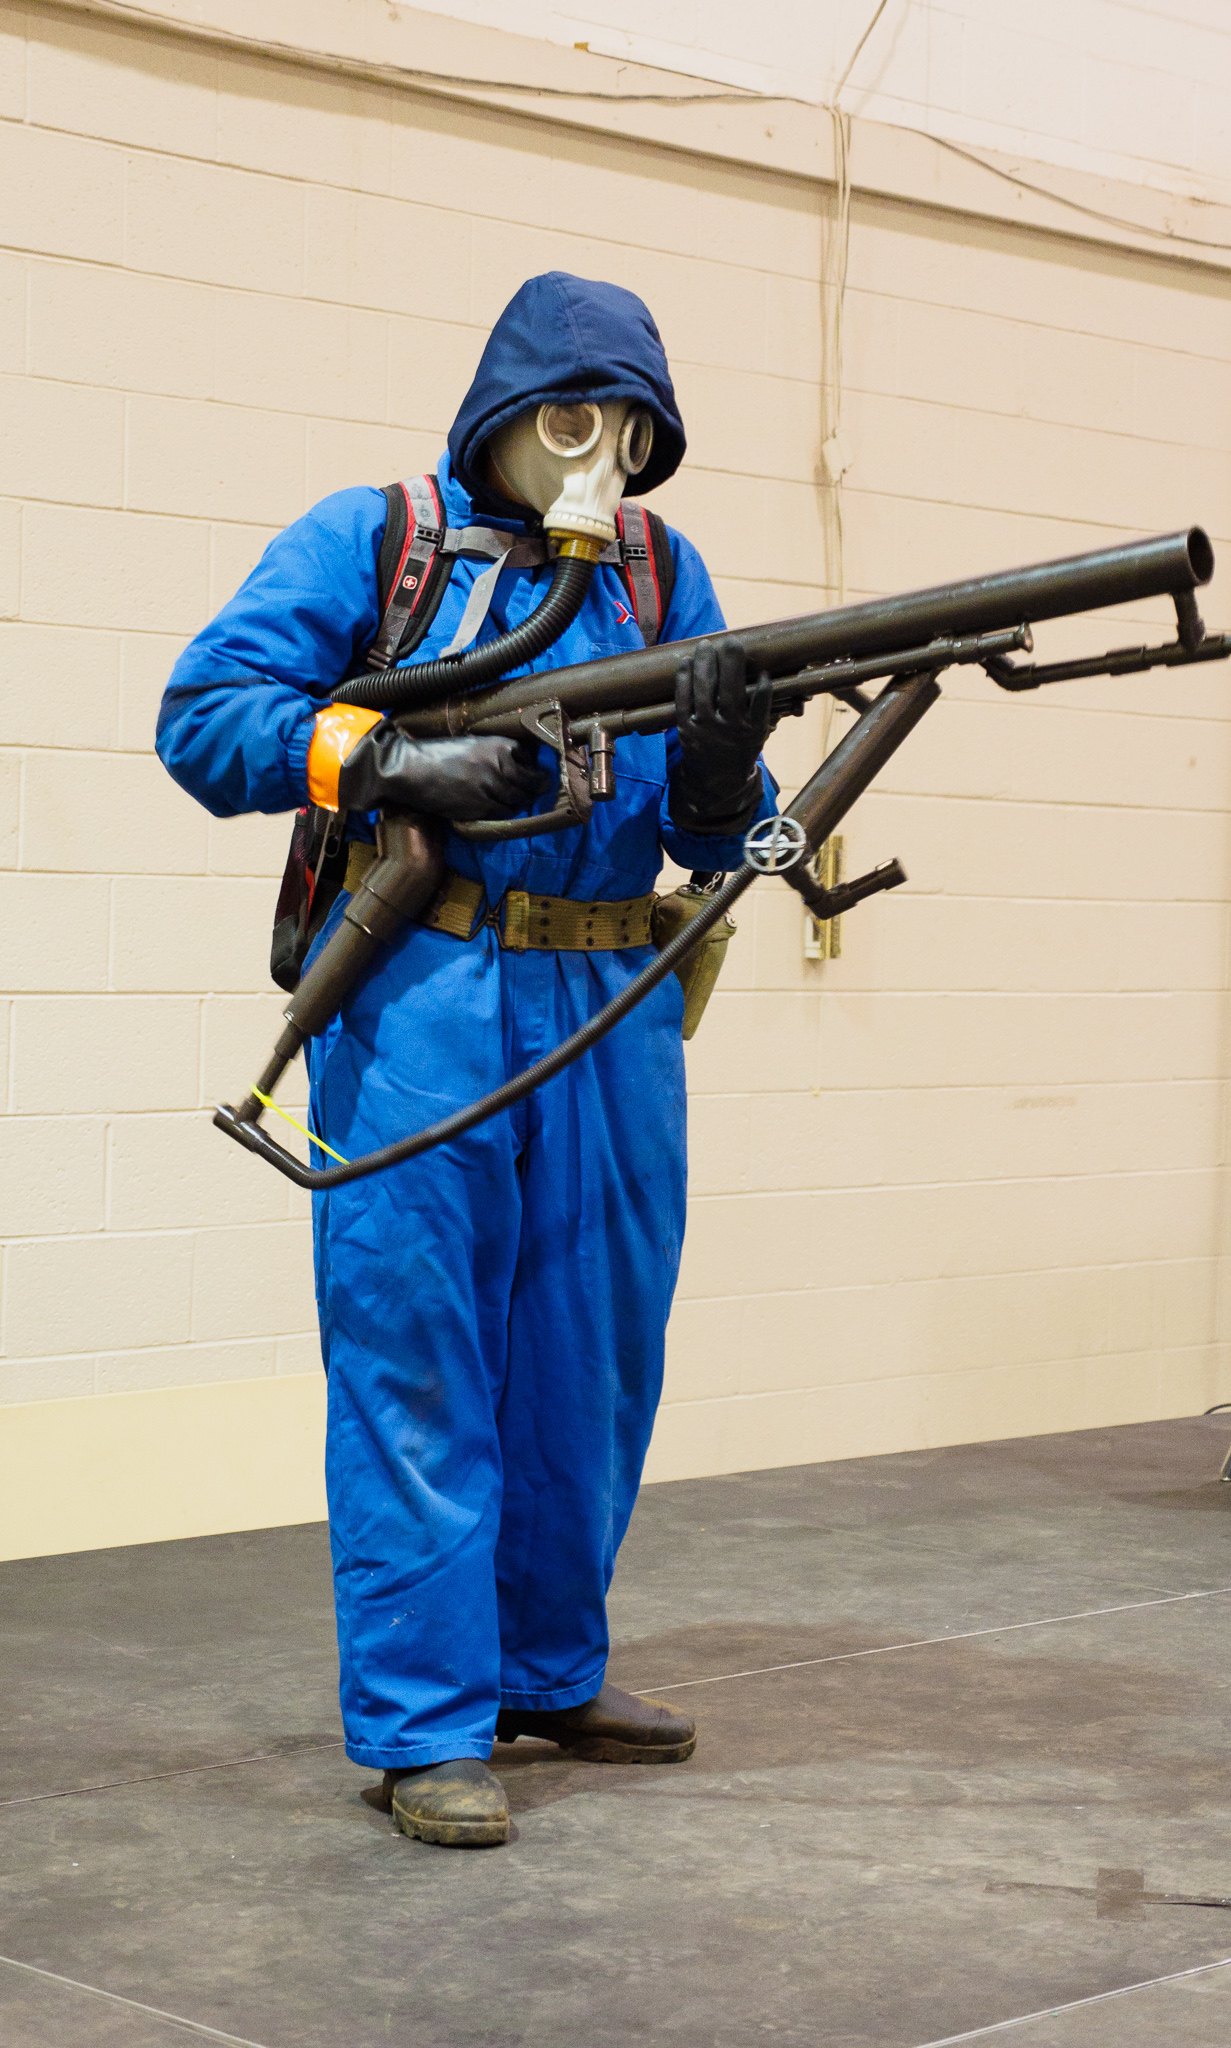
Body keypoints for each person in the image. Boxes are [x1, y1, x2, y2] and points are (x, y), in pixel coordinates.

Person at [156, 273, 775, 1848]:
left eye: (632, 429)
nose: (599, 455)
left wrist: (723, 768)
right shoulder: (380, 540)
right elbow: (204, 716)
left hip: (613, 1002)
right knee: (418, 1354)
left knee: (594, 1356)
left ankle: (547, 1670)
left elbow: (714, 831)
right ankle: (426, 1722)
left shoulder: (658, 570)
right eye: (570, 419)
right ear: (502, 413)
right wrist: (383, 755)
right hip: (426, 986)